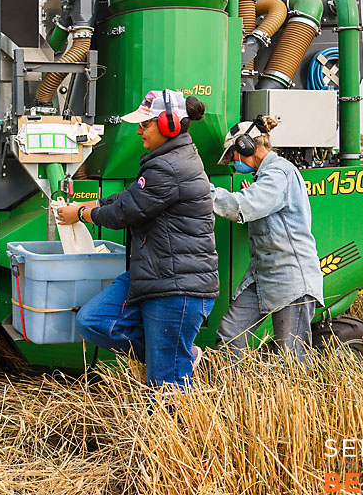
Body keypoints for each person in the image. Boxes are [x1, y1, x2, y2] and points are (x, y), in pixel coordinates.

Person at [56, 89, 217, 388]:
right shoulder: (166, 160)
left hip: (176, 286)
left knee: (164, 393)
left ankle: (175, 359)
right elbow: (132, 198)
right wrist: (94, 204)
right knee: (93, 321)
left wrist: (80, 213)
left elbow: (125, 213)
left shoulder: (169, 167)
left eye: (145, 124)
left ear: (169, 125)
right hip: (155, 274)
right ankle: (177, 353)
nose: (138, 130)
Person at [210, 117, 323, 362]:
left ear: (245, 146)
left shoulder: (279, 173)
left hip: (291, 277)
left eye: (232, 156)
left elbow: (243, 206)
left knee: (291, 357)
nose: (233, 164)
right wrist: (252, 193)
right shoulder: (264, 177)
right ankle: (230, 385)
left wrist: (203, 192)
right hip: (262, 275)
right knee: (230, 335)